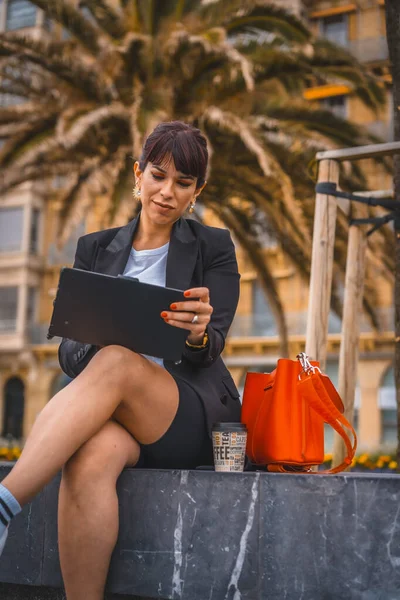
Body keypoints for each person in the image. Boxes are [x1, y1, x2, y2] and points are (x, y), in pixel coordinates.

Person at [0, 121, 242, 598]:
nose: (167, 192)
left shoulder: (213, 248)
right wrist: (101, 329)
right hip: (115, 418)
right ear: (138, 176)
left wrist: (196, 333)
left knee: (116, 360)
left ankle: (5, 505)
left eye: (183, 182)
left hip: (185, 414)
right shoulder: (95, 248)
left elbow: (212, 343)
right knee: (88, 458)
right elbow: (69, 354)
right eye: (158, 175)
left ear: (197, 192)